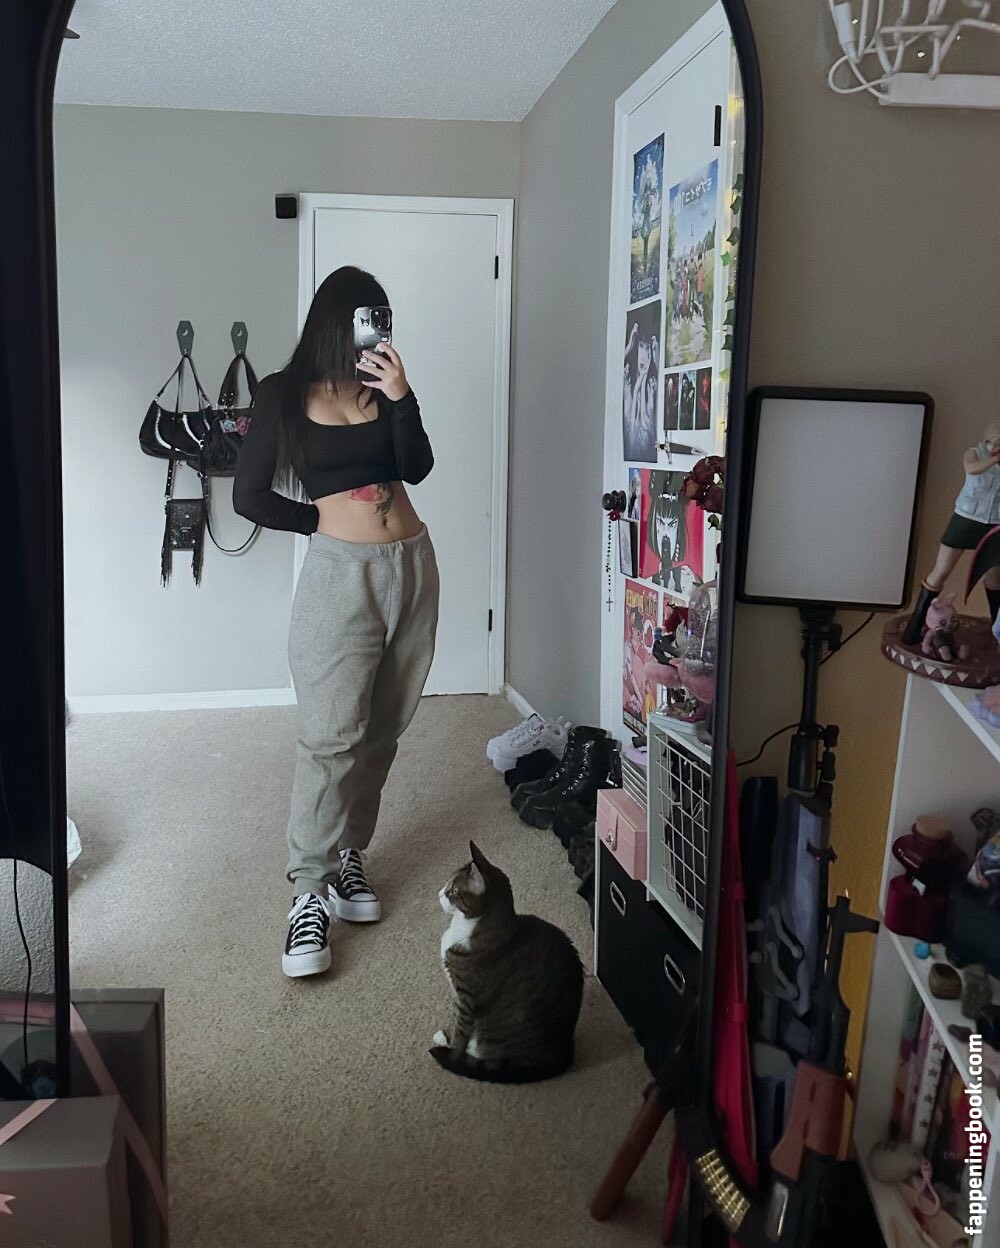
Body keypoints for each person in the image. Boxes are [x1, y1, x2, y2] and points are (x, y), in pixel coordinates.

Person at [234, 266, 439, 978]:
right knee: (330, 736)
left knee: (383, 727)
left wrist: (402, 395)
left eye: (382, 319)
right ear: (334, 323)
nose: (375, 333)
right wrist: (317, 524)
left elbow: (417, 466)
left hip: (412, 565)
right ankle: (307, 892)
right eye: (364, 319)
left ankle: (351, 854)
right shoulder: (282, 394)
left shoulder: (381, 390)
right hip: (339, 577)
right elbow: (249, 495)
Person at [903, 420, 1000, 646]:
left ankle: (998, 631)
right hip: (967, 517)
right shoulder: (974, 454)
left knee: (995, 578)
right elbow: (972, 469)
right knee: (941, 570)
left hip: (994, 523)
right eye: (997, 444)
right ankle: (915, 625)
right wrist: (994, 459)